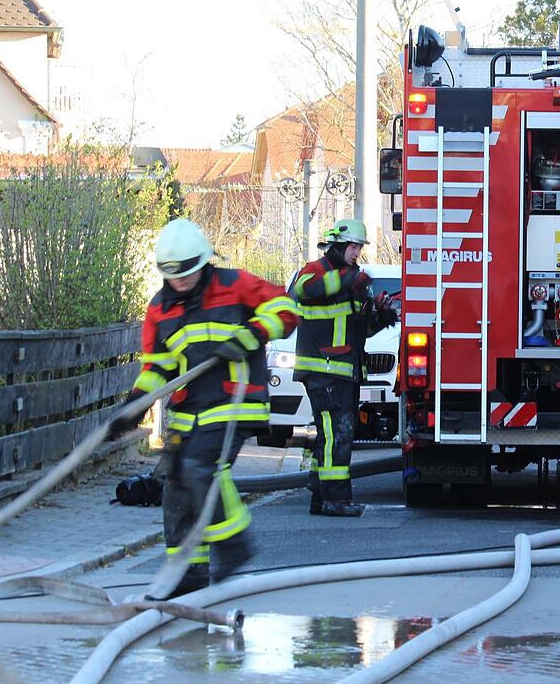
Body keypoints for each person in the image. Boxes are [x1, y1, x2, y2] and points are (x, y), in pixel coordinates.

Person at [110, 218, 300, 596]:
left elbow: (286, 309)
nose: (180, 282)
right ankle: (189, 576)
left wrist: (251, 334)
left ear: (202, 263)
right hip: (190, 412)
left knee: (200, 467)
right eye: (173, 276)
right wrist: (134, 405)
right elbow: (158, 367)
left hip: (235, 402)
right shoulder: (160, 309)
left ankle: (234, 544)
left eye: (187, 274)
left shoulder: (234, 285)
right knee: (176, 489)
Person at [292, 218, 398, 517]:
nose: (356, 253)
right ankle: (335, 499)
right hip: (323, 372)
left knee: (329, 435)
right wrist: (347, 279)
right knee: (339, 433)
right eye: (353, 247)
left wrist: (380, 316)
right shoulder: (315, 270)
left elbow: (359, 330)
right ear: (337, 246)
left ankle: (319, 495)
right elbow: (303, 289)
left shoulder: (353, 283)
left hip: (343, 373)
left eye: (359, 247)